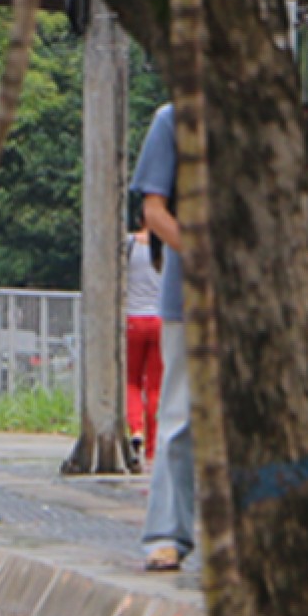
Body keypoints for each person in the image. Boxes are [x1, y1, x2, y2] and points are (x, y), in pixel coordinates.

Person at [131, 103, 191, 573]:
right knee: (179, 416)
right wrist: (209, 253)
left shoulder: (267, 115)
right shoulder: (174, 119)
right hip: (190, 296)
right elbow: (154, 210)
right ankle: (166, 534)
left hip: (266, 298)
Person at [126, 203, 163, 470]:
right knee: (155, 386)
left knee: (131, 381)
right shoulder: (169, 247)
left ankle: (136, 430)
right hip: (160, 321)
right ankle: (152, 449)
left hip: (133, 319)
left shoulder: (128, 245)